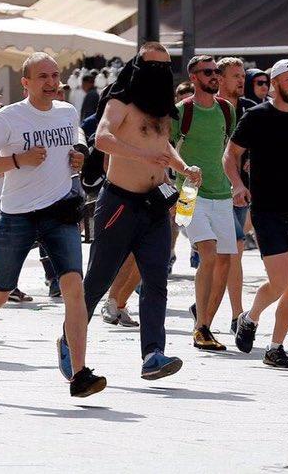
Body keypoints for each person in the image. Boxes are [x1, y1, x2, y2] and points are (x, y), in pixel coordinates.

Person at [0, 52, 98, 401]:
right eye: (42, 76)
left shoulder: (67, 112)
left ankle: (79, 373)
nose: (51, 82)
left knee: (74, 288)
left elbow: (71, 151)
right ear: (26, 82)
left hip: (60, 212)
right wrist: (18, 160)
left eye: (55, 75)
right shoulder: (6, 118)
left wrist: (77, 158)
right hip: (18, 215)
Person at [65, 42, 200, 384]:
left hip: (155, 206)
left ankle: (153, 354)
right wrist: (142, 157)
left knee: (156, 280)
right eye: (153, 67)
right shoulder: (120, 101)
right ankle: (68, 340)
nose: (160, 74)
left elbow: (162, 145)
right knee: (98, 280)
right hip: (120, 204)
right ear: (139, 68)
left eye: (166, 67)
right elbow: (102, 139)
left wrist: (183, 166)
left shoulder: (161, 108)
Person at [225, 59, 288, 368]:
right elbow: (231, 154)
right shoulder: (256, 116)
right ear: (275, 83)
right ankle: (250, 317)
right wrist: (238, 184)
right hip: (267, 209)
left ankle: (275, 347)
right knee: (281, 281)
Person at [173, 55, 237, 351]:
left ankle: (205, 325)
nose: (215, 76)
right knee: (208, 253)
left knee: (225, 260)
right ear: (194, 77)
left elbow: (228, 150)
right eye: (208, 72)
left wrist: (237, 181)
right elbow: (166, 149)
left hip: (222, 193)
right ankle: (201, 325)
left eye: (216, 71)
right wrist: (181, 172)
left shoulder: (226, 110)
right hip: (188, 193)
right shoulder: (181, 111)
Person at [216, 56, 255, 330]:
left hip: (241, 189)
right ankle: (235, 314)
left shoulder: (250, 109)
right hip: (212, 190)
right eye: (235, 76)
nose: (241, 80)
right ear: (220, 79)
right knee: (233, 247)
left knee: (230, 254)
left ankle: (209, 306)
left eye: (243, 75)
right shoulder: (208, 108)